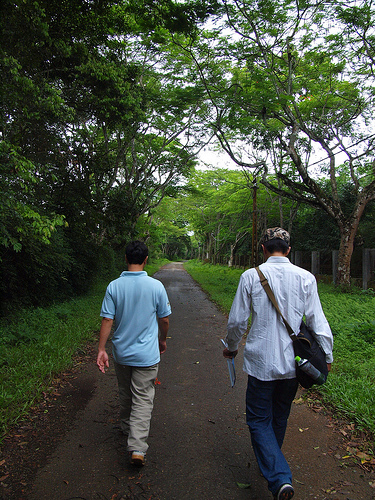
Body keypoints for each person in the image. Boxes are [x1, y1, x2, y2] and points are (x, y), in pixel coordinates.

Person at [223, 228, 333, 500]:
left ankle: (278, 475)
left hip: (261, 361)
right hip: (295, 363)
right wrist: (327, 357)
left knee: (259, 419)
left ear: (262, 248)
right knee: (280, 415)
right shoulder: (306, 277)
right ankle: (273, 466)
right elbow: (317, 320)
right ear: (288, 248)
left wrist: (231, 347)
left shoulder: (251, 276)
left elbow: (237, 321)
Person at [97, 240, 171, 466]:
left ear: (126, 259)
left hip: (122, 353)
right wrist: (162, 339)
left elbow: (108, 319)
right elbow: (164, 319)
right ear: (146, 259)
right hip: (147, 355)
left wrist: (101, 349)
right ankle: (137, 447)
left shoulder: (114, 286)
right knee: (143, 397)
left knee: (125, 392)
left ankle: (127, 427)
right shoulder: (156, 286)